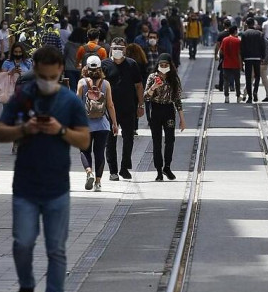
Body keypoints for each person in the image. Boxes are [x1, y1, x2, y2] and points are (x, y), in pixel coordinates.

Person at [0, 45, 90, 292]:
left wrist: (60, 130)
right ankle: (26, 286)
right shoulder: (23, 98)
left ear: (61, 71)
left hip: (57, 189)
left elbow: (84, 141)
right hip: (25, 186)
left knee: (56, 250)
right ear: (35, 71)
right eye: (43, 75)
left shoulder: (70, 102)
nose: (47, 80)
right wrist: (26, 129)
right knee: (23, 243)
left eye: (52, 75)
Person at [102, 38, 144, 180]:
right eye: (115, 47)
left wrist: (141, 105)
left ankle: (124, 167)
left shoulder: (132, 64)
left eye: (121, 47)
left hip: (128, 108)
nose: (118, 50)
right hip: (109, 109)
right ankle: (113, 170)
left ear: (125, 49)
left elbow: (139, 86)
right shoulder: (105, 65)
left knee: (128, 138)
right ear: (111, 49)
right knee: (110, 140)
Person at [76, 56, 118, 191]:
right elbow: (110, 105)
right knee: (99, 153)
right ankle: (98, 183)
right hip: (102, 124)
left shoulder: (82, 83)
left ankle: (89, 172)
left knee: (84, 150)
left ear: (86, 68)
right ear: (100, 68)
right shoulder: (105, 84)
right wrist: (114, 123)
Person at [145, 54, 186, 180]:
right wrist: (154, 87)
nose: (163, 67)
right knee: (156, 142)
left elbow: (177, 99)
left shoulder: (174, 78)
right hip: (156, 110)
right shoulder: (152, 77)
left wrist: (182, 119)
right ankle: (158, 170)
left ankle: (167, 167)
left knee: (170, 140)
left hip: (169, 110)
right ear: (157, 66)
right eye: (161, 65)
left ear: (170, 66)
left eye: (166, 65)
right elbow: (146, 97)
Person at [240, 18, 267, 103]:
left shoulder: (244, 34)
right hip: (257, 58)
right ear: (254, 24)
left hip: (248, 58)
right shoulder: (260, 34)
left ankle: (250, 97)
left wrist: (242, 58)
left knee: (248, 78)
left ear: (246, 24)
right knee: (257, 76)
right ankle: (255, 92)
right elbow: (263, 46)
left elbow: (242, 48)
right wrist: (262, 57)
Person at [220, 26, 242, 103]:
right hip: (236, 64)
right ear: (235, 31)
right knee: (237, 81)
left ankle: (226, 97)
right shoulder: (238, 41)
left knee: (226, 81)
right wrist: (241, 64)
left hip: (226, 64)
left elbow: (221, 52)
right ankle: (238, 96)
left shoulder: (224, 40)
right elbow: (239, 54)